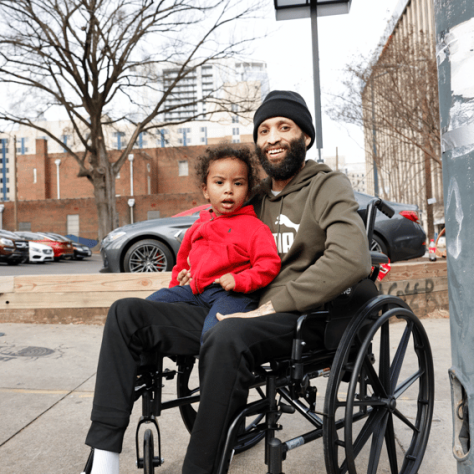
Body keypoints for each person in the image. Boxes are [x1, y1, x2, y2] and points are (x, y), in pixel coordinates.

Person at [83, 90, 371, 474]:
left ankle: (200, 467)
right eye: (264, 130)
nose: (272, 138)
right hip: (235, 304)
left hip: (301, 316)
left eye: (284, 127)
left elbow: (352, 257)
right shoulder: (255, 195)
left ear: (305, 137)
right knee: (127, 314)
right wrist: (196, 269)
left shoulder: (328, 186)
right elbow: (220, 233)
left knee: (226, 333)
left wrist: (273, 305)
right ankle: (103, 458)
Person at [145, 144, 281, 342]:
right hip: (195, 292)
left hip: (232, 296)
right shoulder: (197, 227)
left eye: (238, 183)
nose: (228, 190)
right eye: (219, 182)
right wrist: (176, 288)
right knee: (147, 308)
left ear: (248, 191)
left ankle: (213, 366)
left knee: (214, 333)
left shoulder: (255, 228)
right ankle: (144, 367)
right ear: (205, 190)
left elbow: (269, 265)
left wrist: (240, 280)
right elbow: (181, 266)